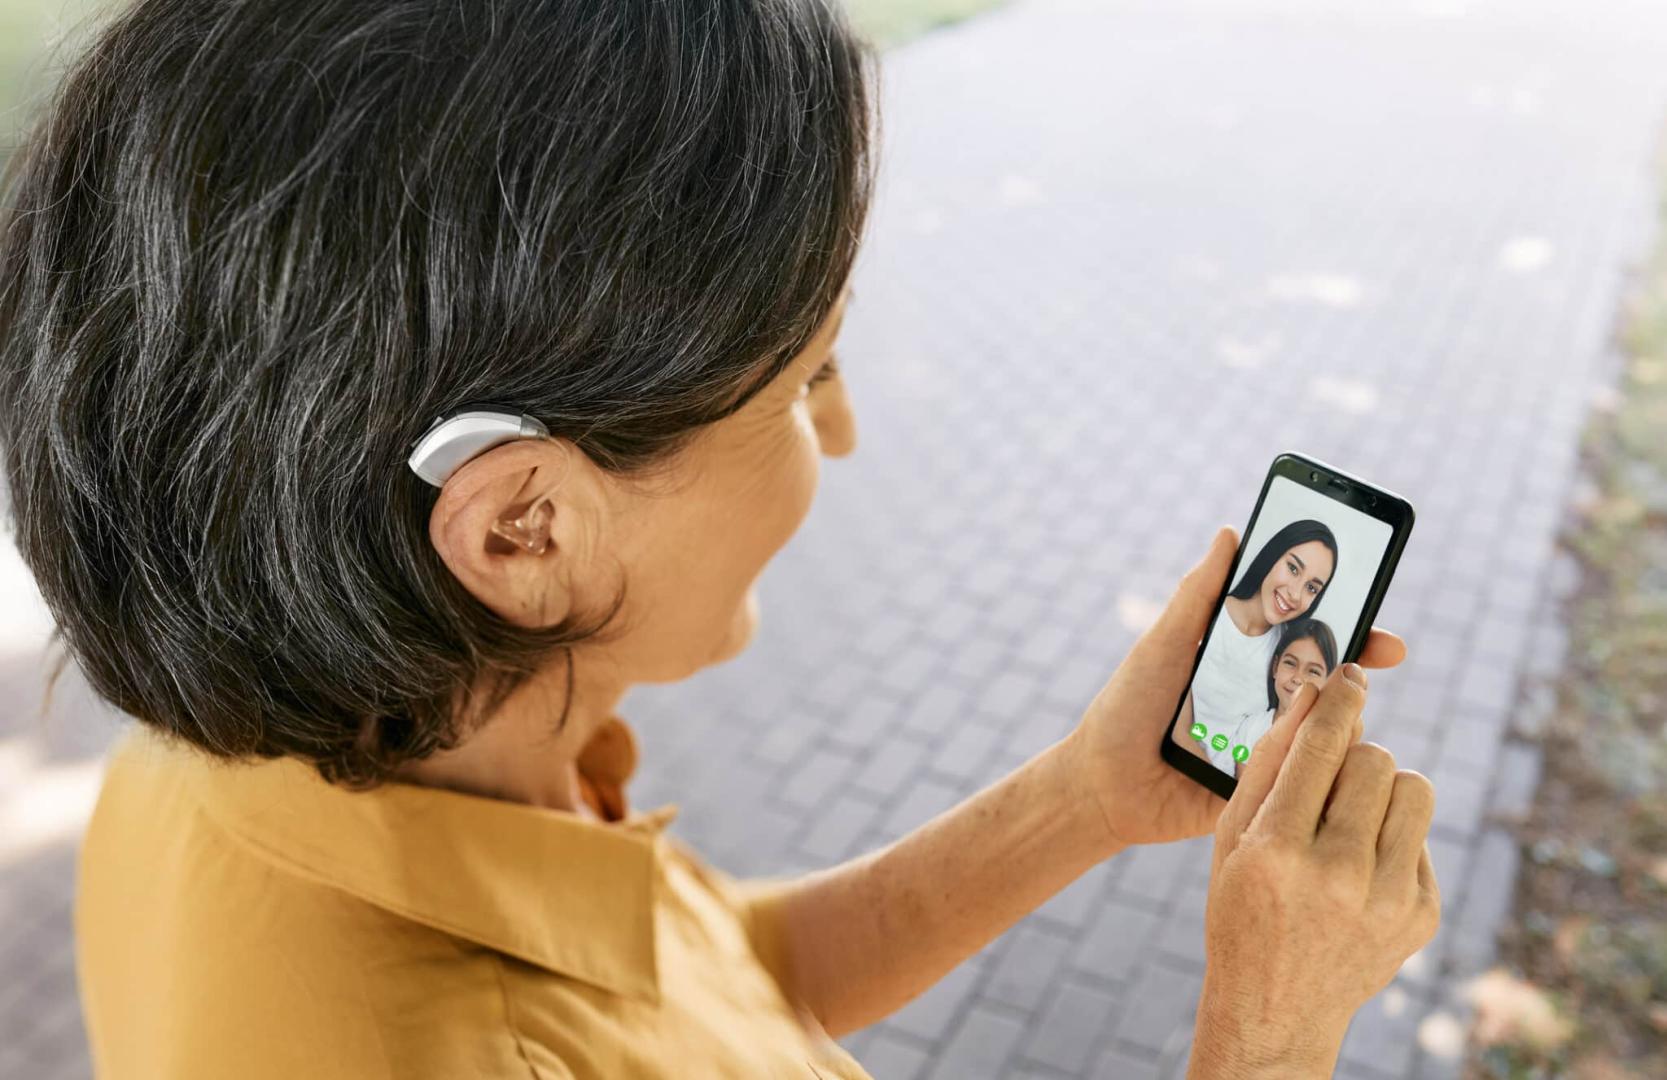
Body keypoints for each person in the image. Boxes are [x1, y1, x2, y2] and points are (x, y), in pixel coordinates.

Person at [0, 2, 1439, 1078]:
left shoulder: (256, 748)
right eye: (808, 376)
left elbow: (721, 992)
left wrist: (1083, 797)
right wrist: (1269, 1030)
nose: (849, 428)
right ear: (524, 525)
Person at [1178, 518, 1338, 740]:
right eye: (1293, 568)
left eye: (1311, 587)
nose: (1295, 594)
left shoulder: (1289, 652)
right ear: (1272, 556)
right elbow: (1177, 727)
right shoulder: (1207, 615)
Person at [1202, 616, 1338, 776]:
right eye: (1290, 663)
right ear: (1275, 667)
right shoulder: (1252, 727)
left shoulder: (1320, 743)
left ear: (1328, 683)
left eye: (1313, 671)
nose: (1297, 678)